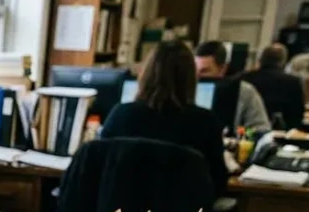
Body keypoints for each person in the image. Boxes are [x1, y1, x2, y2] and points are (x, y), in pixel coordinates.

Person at [102, 40, 228, 195]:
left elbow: (100, 168)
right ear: (191, 78)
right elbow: (218, 182)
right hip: (183, 209)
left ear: (145, 74)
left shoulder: (120, 114)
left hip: (122, 208)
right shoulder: (206, 122)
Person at [195, 40, 271, 131]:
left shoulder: (244, 92)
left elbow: (260, 128)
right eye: (195, 70)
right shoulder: (189, 88)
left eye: (204, 71)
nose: (197, 76)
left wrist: (241, 135)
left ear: (223, 69)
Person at [243, 43, 306, 129]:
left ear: (261, 59)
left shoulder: (245, 78)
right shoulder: (292, 81)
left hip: (246, 129)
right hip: (281, 131)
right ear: (283, 61)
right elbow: (297, 113)